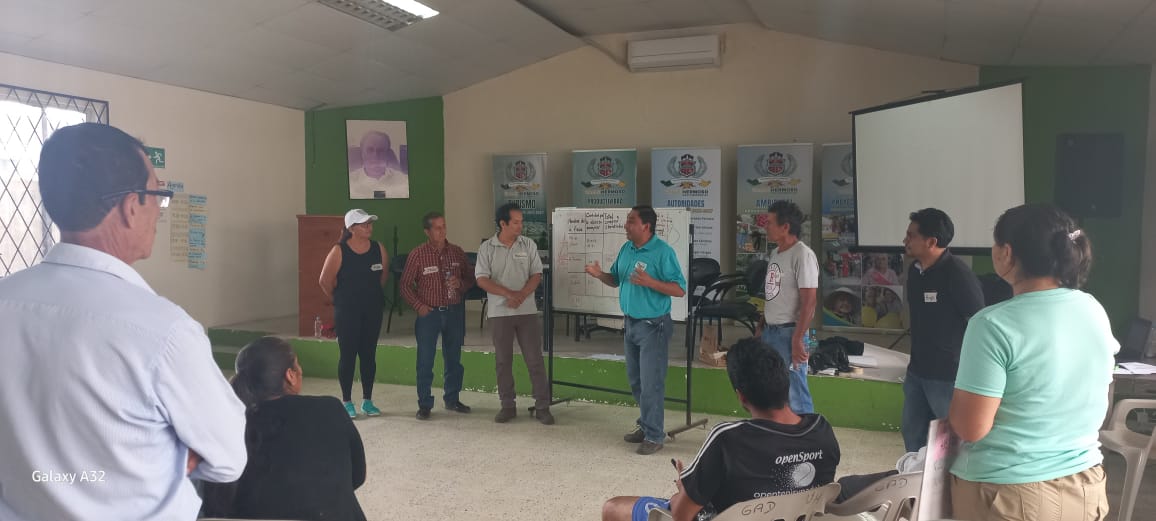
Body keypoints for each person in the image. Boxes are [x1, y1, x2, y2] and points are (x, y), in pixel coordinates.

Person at [0, 123, 246, 520]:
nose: (158, 214)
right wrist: (166, 455)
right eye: (158, 196)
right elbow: (229, 458)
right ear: (132, 207)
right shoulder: (163, 332)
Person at [949, 204, 1115, 521]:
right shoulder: (1093, 308)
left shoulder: (992, 324)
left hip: (1010, 494)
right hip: (1085, 486)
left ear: (1006, 253)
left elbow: (971, 428)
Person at [601, 338, 841, 521]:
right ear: (785, 383)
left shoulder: (727, 439)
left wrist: (686, 489)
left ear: (741, 396)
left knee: (613, 508)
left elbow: (682, 515)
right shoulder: (821, 430)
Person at [201, 337, 367, 521]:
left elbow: (212, 499)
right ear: (290, 375)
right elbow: (358, 476)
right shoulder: (330, 409)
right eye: (298, 364)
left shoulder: (226, 425)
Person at [585, 205, 686, 455]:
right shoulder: (627, 249)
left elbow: (679, 289)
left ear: (646, 226)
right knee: (636, 381)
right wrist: (599, 275)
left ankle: (654, 435)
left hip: (654, 327)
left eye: (631, 221)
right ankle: (646, 424)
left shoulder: (662, 252)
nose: (626, 225)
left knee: (651, 383)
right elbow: (615, 279)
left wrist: (650, 282)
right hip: (630, 324)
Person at [901, 208, 984, 452]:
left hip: (947, 376)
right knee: (912, 434)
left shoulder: (957, 274)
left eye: (911, 235)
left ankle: (951, 478)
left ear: (931, 242)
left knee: (952, 442)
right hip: (917, 371)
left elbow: (979, 321)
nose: (905, 240)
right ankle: (915, 476)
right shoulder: (915, 271)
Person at [475, 203, 554, 425]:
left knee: (535, 360)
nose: (521, 226)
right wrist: (508, 294)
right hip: (499, 312)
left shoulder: (528, 244)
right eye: (516, 222)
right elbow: (481, 279)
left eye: (521, 222)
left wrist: (521, 295)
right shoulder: (487, 248)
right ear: (503, 223)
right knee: (503, 361)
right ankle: (507, 405)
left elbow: (536, 274)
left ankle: (542, 406)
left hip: (527, 311)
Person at [401, 211, 476, 420]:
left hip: (454, 312)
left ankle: (452, 399)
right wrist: (419, 306)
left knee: (454, 359)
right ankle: (425, 404)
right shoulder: (418, 254)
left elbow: (471, 279)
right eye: (437, 228)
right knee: (425, 360)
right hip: (429, 314)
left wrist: (460, 283)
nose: (442, 231)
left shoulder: (457, 252)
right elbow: (405, 285)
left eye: (444, 226)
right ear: (427, 231)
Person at [319, 209, 389, 419]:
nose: (369, 227)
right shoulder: (339, 250)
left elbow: (383, 276)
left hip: (372, 310)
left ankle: (367, 400)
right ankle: (347, 401)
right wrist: (340, 299)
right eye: (363, 224)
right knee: (348, 355)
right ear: (351, 228)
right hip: (347, 312)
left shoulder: (378, 248)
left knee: (369, 354)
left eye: (370, 223)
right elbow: (324, 281)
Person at [757, 200, 819, 414]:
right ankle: (780, 431)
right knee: (774, 389)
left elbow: (810, 302)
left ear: (785, 227)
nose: (765, 226)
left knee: (796, 392)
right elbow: (773, 293)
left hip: (790, 332)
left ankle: (806, 432)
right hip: (771, 331)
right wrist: (762, 324)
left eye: (770, 222)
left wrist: (798, 339)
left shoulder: (803, 255)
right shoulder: (776, 253)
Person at [348, 131, 408, 199]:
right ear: (362, 153)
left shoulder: (404, 180)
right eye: (370, 150)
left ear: (387, 154)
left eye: (381, 150)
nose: (375, 155)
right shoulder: (350, 181)